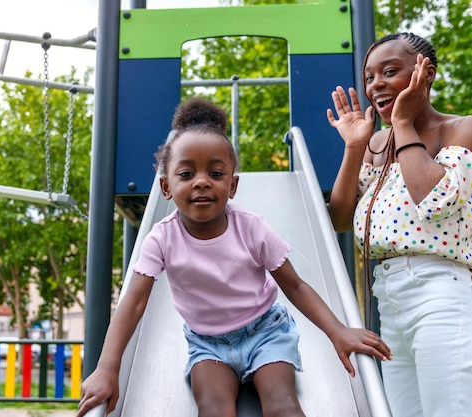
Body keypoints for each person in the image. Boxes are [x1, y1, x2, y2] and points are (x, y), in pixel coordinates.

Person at [78, 96, 392, 417]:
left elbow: (295, 286)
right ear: (166, 187)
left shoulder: (251, 228)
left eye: (215, 173)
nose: (201, 181)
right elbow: (133, 302)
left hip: (266, 332)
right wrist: (107, 368)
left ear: (233, 185)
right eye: (186, 174)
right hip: (207, 344)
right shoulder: (161, 238)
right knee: (213, 409)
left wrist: (337, 331)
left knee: (282, 403)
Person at [327, 32, 472, 417]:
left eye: (390, 71)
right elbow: (342, 219)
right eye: (369, 77)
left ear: (425, 73)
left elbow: (434, 202)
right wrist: (354, 147)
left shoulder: (461, 129)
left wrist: (404, 123)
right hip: (390, 305)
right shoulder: (376, 144)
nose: (376, 84)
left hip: (444, 298)